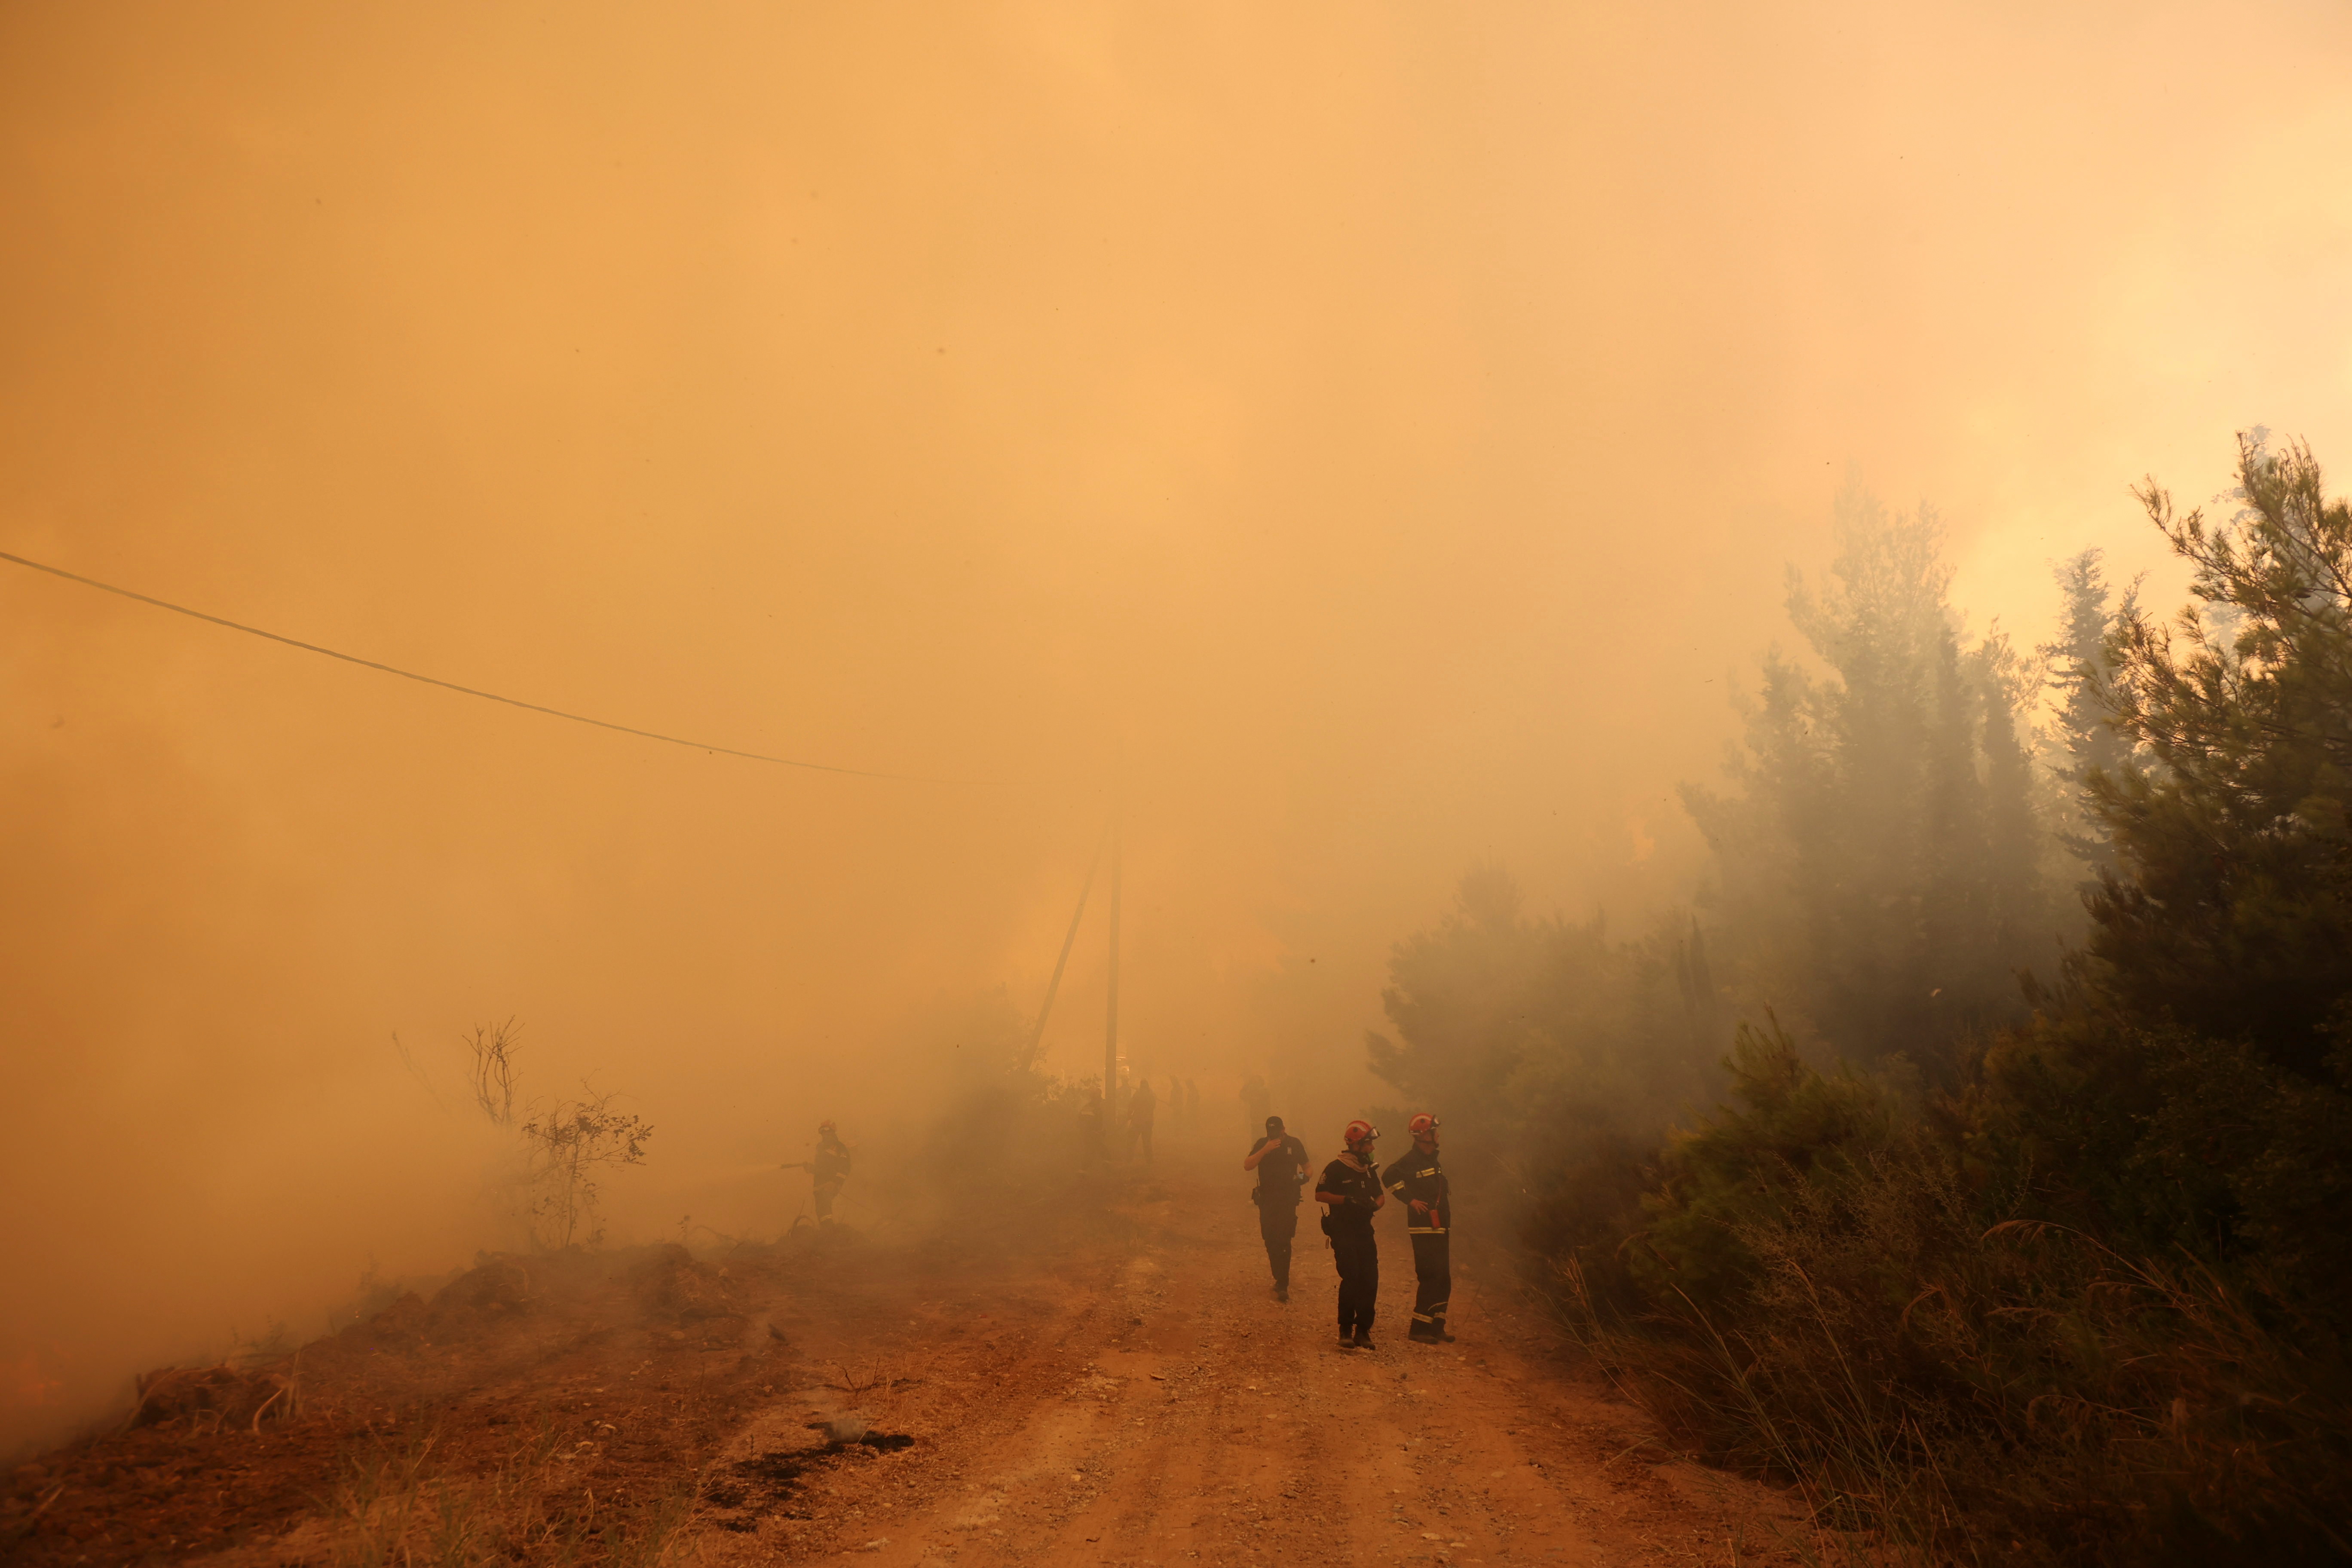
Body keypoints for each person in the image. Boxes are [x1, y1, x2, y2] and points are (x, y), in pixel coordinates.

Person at [1384, 1112, 1453, 1343]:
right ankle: (1419, 1329)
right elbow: (1388, 1176)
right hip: (1424, 1228)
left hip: (1441, 1227)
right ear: (1425, 1135)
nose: (1438, 1135)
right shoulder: (1410, 1161)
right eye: (1435, 1132)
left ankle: (1437, 1326)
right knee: (1431, 1275)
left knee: (1444, 1277)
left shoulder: (1433, 1159)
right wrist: (1410, 1200)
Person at [1315, 1120, 1384, 1349]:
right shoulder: (1335, 1168)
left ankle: (1363, 1331)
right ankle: (1345, 1329)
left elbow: (1380, 1196)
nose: (1372, 1149)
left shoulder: (1368, 1171)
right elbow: (1320, 1195)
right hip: (1343, 1230)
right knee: (1352, 1277)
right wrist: (1347, 1200)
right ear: (1355, 1145)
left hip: (1365, 1231)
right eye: (1368, 1145)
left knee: (1370, 1279)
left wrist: (1374, 1205)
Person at [1242, 1115, 1311, 1300]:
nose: (1274, 1135)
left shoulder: (1294, 1144)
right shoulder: (1262, 1144)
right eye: (1270, 1132)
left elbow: (1308, 1169)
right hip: (1267, 1200)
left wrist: (1301, 1179)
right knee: (1269, 1238)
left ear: (1283, 1129)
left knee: (1284, 1239)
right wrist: (1265, 1150)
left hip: (1288, 1200)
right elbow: (1248, 1165)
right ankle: (1278, 1276)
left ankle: (1283, 1283)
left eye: (1276, 1131)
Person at [811, 1120, 853, 1226]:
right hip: (818, 1185)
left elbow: (845, 1167)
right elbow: (820, 1168)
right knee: (820, 1209)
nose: (826, 1135)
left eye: (828, 1133)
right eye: (824, 1133)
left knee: (825, 1206)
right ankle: (825, 1231)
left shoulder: (840, 1148)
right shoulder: (820, 1147)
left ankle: (829, 1231)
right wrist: (810, 1168)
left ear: (833, 1133)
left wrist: (836, 1182)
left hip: (831, 1183)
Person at [1128, 1076, 1158, 1165]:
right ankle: (1150, 1161)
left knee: (1132, 1141)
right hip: (1147, 1122)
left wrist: (1129, 1114)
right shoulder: (1151, 1095)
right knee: (1147, 1142)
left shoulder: (1138, 1094)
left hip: (1139, 1121)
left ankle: (1129, 1159)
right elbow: (1153, 1106)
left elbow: (1132, 1105)